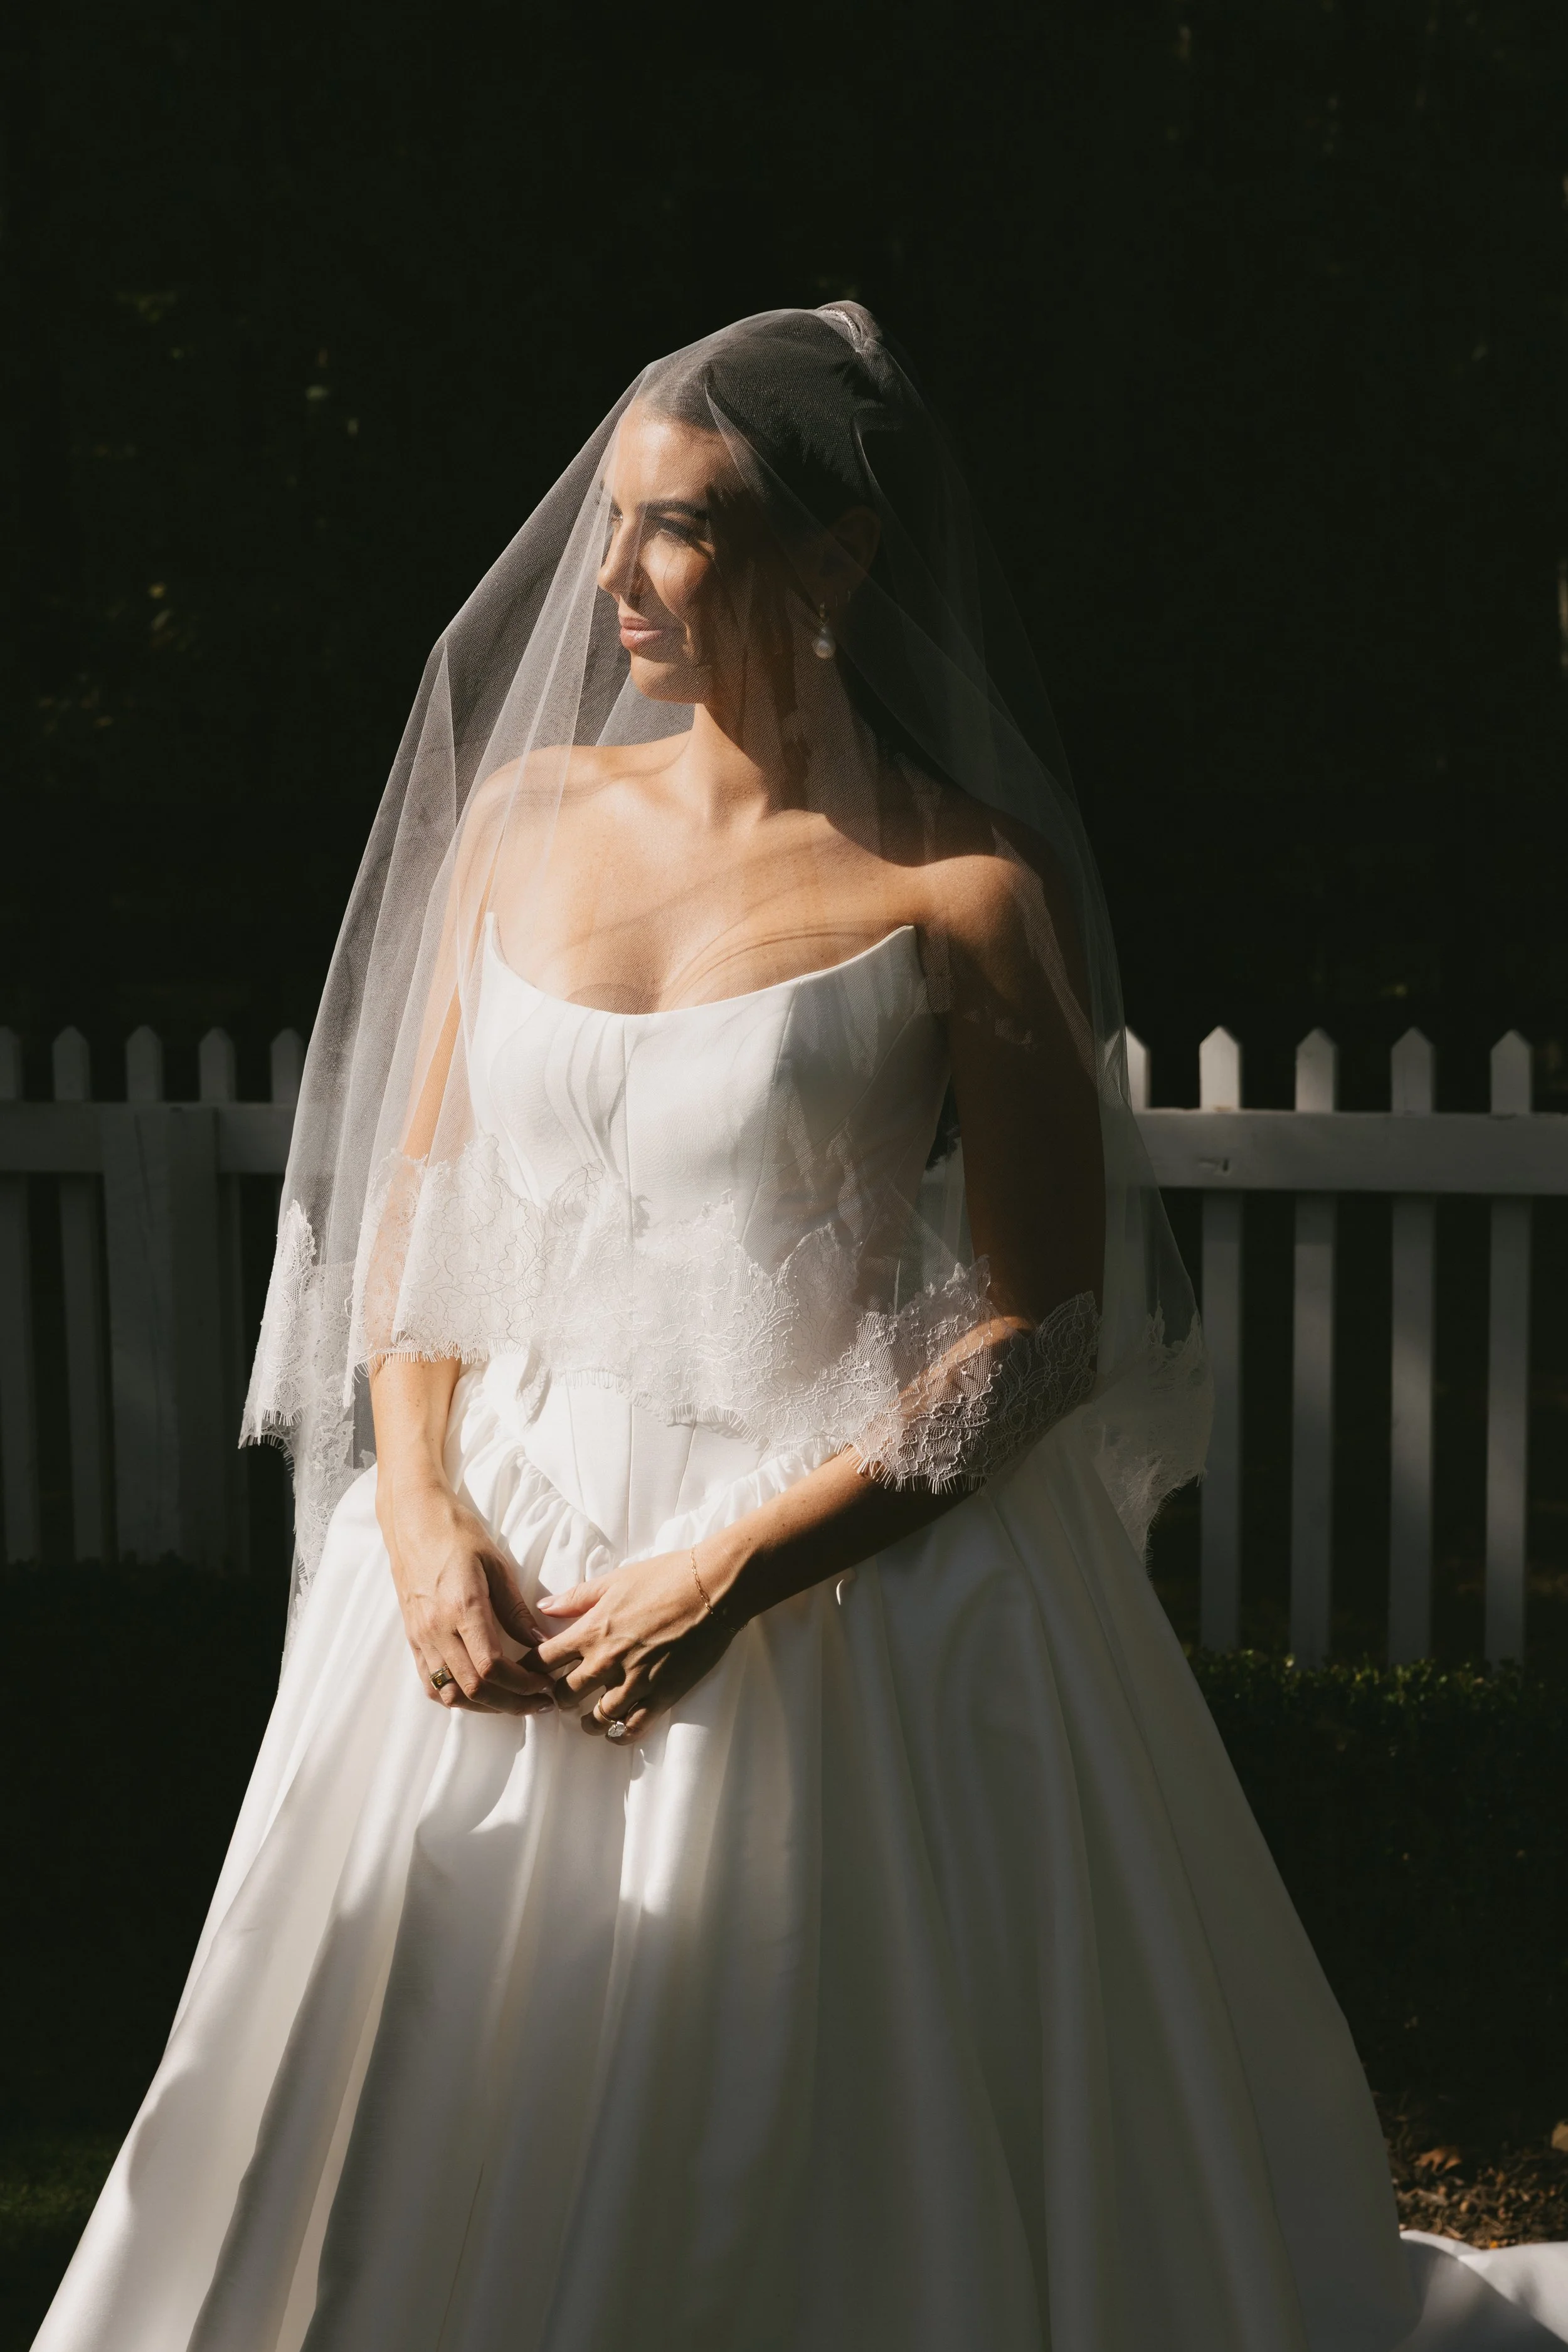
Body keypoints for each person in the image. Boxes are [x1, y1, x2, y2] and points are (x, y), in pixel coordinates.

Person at [33, 307, 1567, 2351]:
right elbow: (416, 1215)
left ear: (836, 558)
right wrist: (411, 1515)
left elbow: (1040, 1322)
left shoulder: (961, 889)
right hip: (488, 1559)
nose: (615, 580)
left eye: (676, 530)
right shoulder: (516, 824)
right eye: (612, 526)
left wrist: (732, 1573)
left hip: (832, 1584)